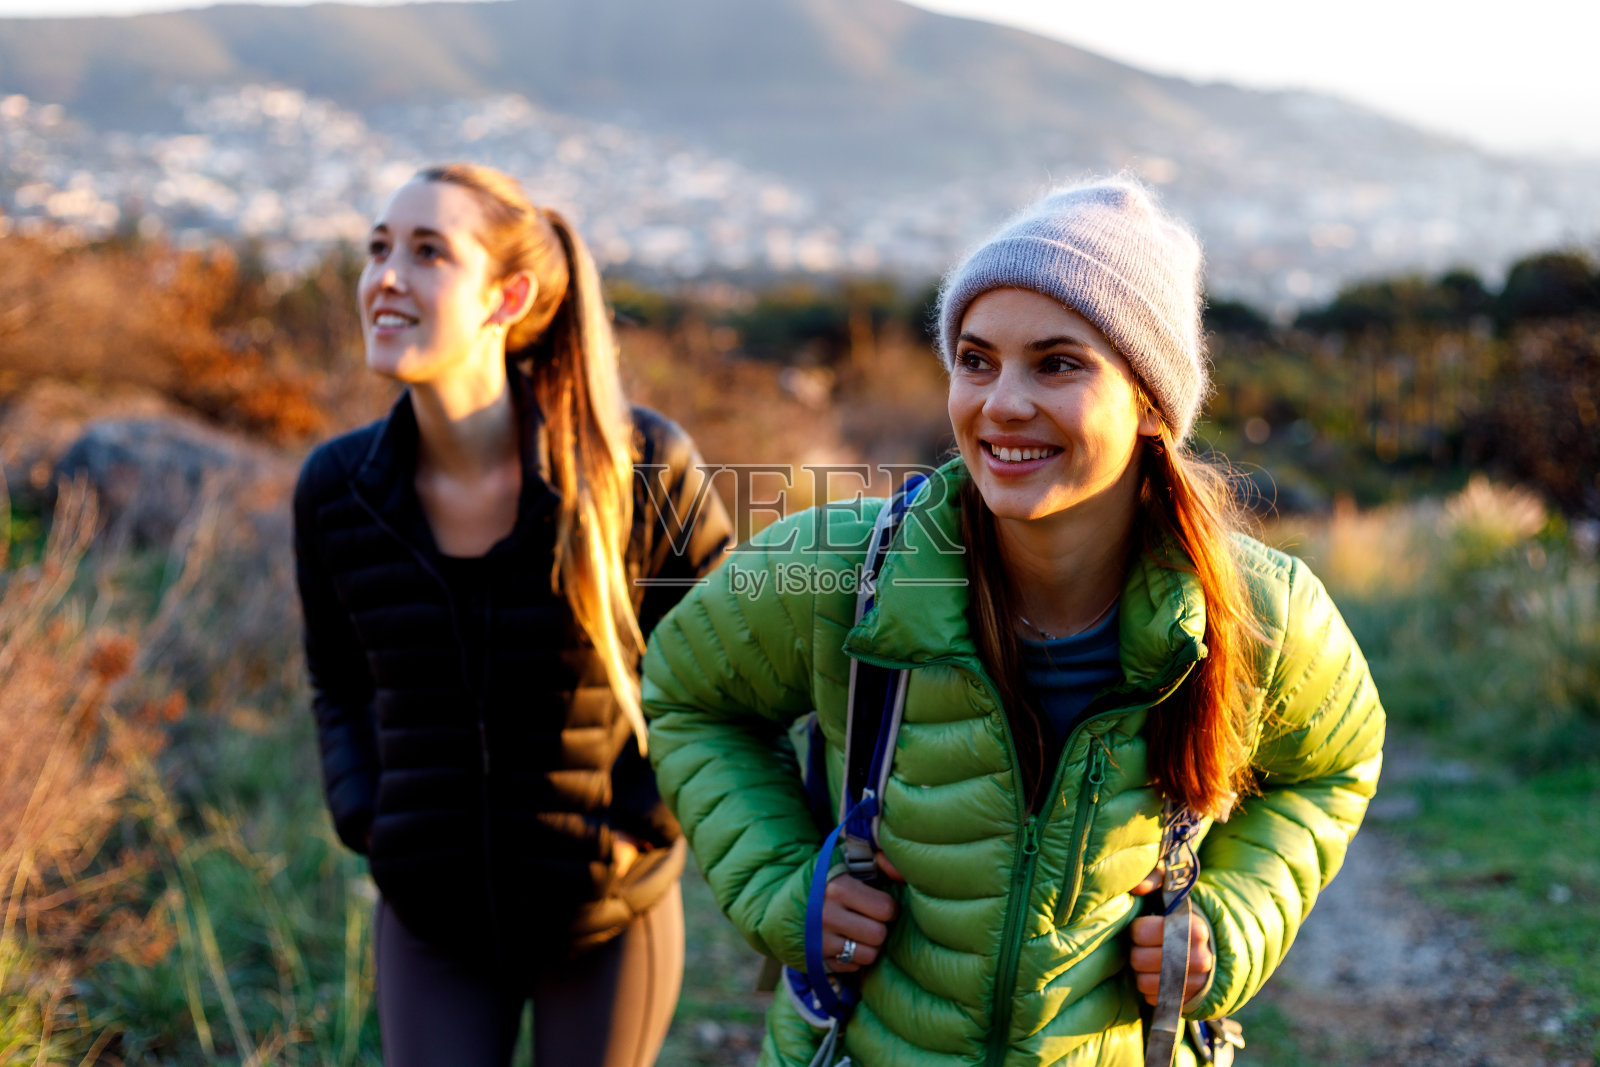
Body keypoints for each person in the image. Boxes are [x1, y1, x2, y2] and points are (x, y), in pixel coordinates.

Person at [641, 179, 1384, 1065]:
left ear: (1151, 403)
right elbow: (687, 695)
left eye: (1057, 363)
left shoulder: (1257, 610)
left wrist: (1230, 923)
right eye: (976, 358)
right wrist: (788, 888)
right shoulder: (842, 568)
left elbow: (1334, 766)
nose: (1001, 403)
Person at [293, 162, 731, 1067]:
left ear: (508, 296)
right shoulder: (337, 492)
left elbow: (729, 675)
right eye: (377, 248)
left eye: (427, 253)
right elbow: (335, 677)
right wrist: (365, 812)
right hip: (429, 918)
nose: (385, 276)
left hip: (606, 911)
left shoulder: (636, 465)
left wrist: (650, 822)